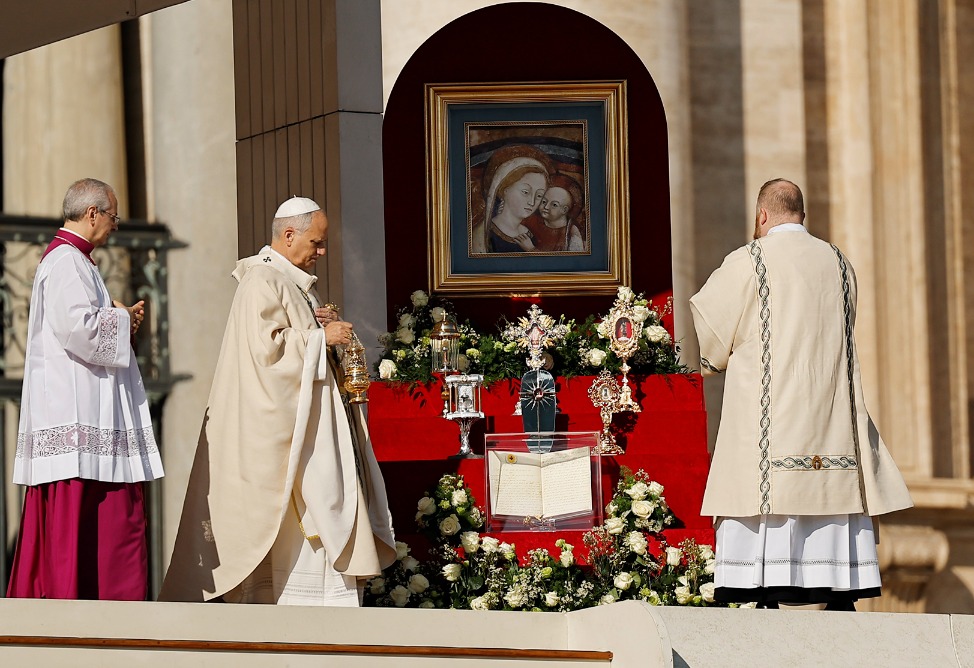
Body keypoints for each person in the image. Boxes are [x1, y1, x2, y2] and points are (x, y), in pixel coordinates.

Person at [160, 196, 396, 606]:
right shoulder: (261, 280)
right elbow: (265, 354)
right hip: (285, 439)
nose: (322, 252)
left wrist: (323, 332)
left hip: (309, 428)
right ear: (289, 235)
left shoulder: (295, 284)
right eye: (316, 242)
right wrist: (320, 338)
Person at [689, 178, 913, 611]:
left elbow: (713, 336)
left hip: (769, 421)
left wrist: (714, 360)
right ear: (802, 216)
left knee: (764, 494)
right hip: (829, 420)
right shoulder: (839, 263)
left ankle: (764, 586)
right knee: (832, 485)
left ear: (761, 215)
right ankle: (838, 587)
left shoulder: (748, 260)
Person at [7, 178, 164, 600]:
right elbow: (78, 330)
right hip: (76, 414)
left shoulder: (76, 261)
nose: (115, 225)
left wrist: (114, 312)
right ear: (92, 213)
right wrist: (123, 320)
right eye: (113, 216)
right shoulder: (66, 261)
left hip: (86, 411)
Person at [471, 144, 550, 254]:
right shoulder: (484, 236)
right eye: (525, 192)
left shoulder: (528, 235)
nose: (532, 202)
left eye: (539, 196)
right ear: (504, 190)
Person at [522, 173, 585, 252]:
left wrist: (531, 249)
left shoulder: (571, 231)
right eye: (544, 201)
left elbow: (575, 257)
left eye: (554, 205)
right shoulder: (532, 220)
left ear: (564, 210)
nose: (546, 207)